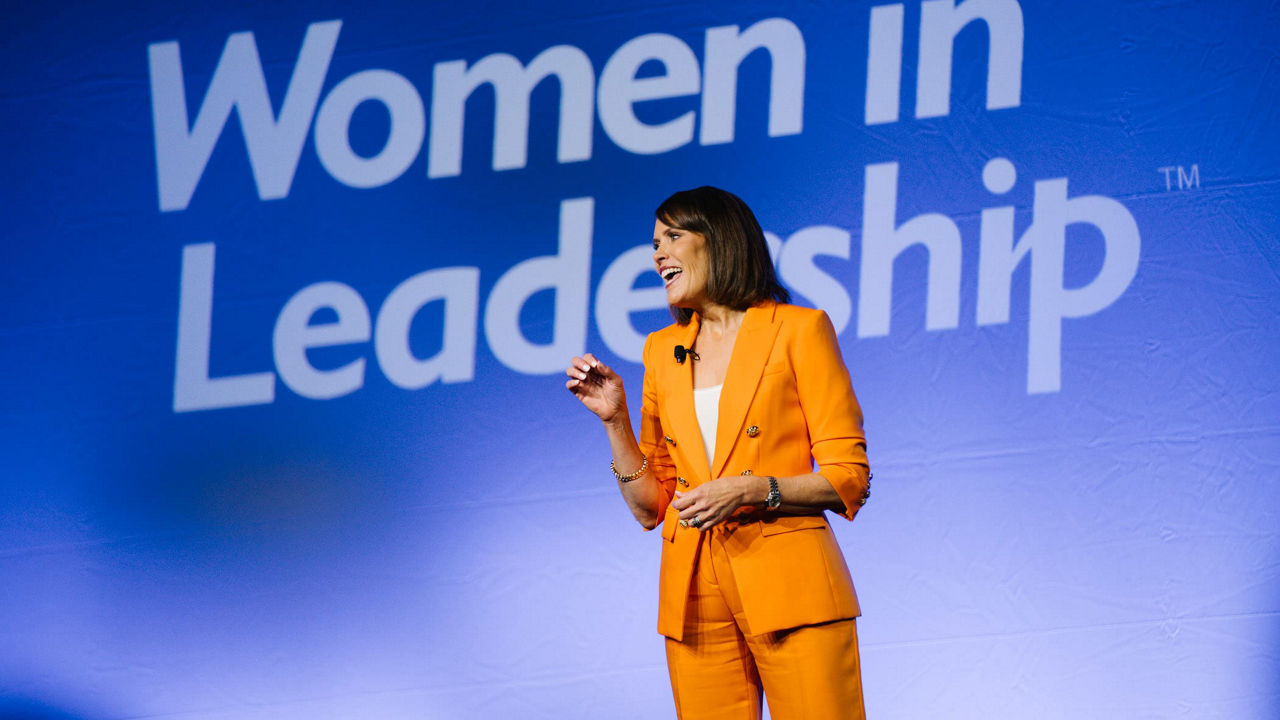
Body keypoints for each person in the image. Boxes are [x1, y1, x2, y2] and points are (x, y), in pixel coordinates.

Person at [565, 186, 871, 719]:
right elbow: (651, 506)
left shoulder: (799, 330)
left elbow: (849, 478)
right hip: (693, 592)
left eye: (672, 237)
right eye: (654, 242)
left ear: (720, 241)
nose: (657, 253)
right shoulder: (661, 351)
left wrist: (757, 490)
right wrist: (615, 421)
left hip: (789, 580)